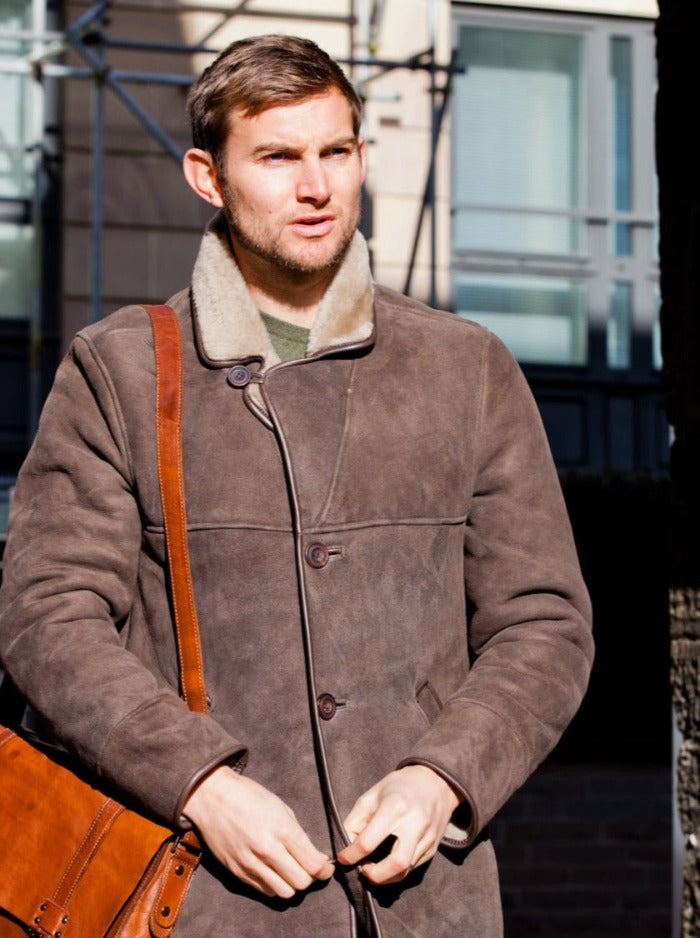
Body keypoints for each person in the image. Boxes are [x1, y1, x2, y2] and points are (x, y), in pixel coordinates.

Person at [0, 34, 594, 937]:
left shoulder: (465, 367)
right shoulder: (117, 369)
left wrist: (446, 775)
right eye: (277, 157)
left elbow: (543, 623)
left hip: (426, 904)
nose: (316, 187)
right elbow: (47, 618)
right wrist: (199, 782)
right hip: (200, 899)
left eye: (336, 151)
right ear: (209, 177)